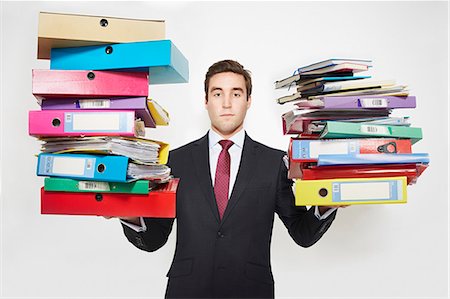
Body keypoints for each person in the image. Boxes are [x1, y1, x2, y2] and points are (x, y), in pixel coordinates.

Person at [118, 60, 339, 298]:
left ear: (248, 101)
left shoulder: (274, 163)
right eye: (217, 93)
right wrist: (128, 213)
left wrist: (328, 202)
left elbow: (302, 234)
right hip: (187, 291)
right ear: (206, 101)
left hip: (251, 291)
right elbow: (153, 239)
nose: (226, 103)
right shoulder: (175, 161)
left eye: (236, 93)